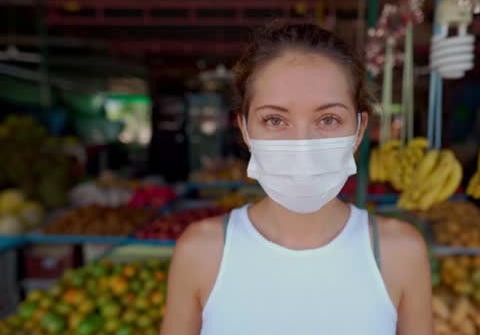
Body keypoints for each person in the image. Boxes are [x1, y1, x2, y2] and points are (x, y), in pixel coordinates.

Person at [161, 22, 433, 335]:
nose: (302, 144)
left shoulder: (401, 253)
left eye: (328, 119)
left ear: (359, 130)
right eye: (275, 120)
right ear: (246, 130)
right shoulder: (201, 251)